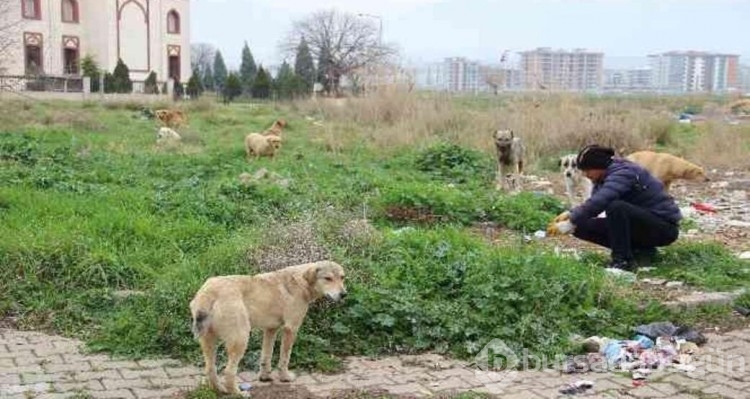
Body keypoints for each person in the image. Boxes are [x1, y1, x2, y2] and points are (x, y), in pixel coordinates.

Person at [547, 144, 682, 272]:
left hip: (663, 228)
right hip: (640, 224)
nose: (586, 175)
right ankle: (641, 251)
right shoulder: (602, 177)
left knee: (616, 207)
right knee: (581, 226)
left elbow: (602, 200)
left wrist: (571, 221)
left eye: (587, 170)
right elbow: (594, 204)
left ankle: (622, 261)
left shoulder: (623, 173)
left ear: (598, 166)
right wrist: (571, 214)